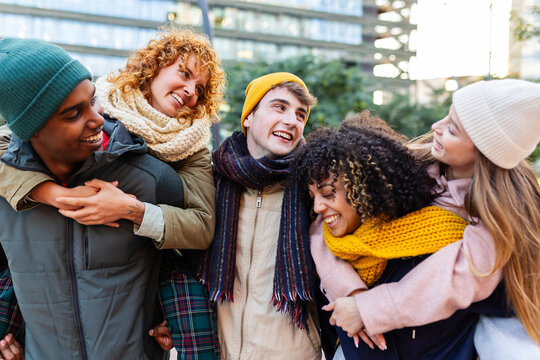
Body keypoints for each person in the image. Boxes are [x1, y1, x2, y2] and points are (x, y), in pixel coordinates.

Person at [0, 30, 224, 358]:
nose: (190, 91)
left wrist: (131, 209)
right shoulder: (99, 101)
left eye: (200, 89)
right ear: (154, 67)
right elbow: (12, 141)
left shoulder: (190, 145)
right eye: (184, 73)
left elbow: (202, 226)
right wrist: (51, 194)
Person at [310, 80, 540, 357]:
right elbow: (324, 224)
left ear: (484, 152)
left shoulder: (500, 220)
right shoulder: (400, 168)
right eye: (447, 115)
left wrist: (371, 308)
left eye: (452, 129)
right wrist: (351, 292)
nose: (437, 127)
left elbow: (457, 280)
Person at [292, 117, 510, 359]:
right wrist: (353, 295)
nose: (318, 207)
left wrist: (369, 309)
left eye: (327, 193)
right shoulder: (332, 248)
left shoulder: (441, 243)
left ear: (363, 188)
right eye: (313, 196)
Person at [196, 72, 320, 359]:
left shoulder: (314, 188)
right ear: (248, 117)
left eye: (301, 115)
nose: (292, 120)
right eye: (280, 107)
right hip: (218, 349)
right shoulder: (212, 178)